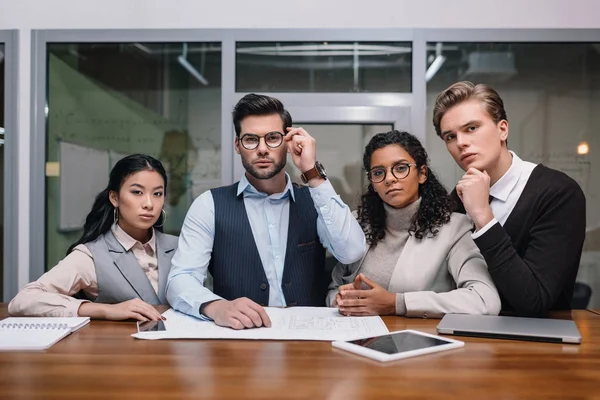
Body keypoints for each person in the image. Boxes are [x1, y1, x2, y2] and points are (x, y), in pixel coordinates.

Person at [167, 93, 367, 329]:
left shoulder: (314, 199)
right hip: (238, 339)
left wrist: (312, 172)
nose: (262, 149)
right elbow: (180, 279)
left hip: (309, 338)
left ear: (288, 141)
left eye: (272, 138)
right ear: (237, 145)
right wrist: (216, 306)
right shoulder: (208, 205)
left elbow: (352, 251)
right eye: (251, 139)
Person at [433, 81, 586, 317]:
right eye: (450, 136)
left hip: (537, 344)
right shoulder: (455, 199)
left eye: (471, 128)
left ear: (503, 129)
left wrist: (483, 217)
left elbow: (534, 301)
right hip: (464, 336)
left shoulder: (558, 193)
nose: (461, 142)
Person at [328, 130, 500, 318]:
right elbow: (333, 290)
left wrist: (397, 303)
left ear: (422, 173)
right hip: (357, 338)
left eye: (401, 168)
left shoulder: (455, 228)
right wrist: (341, 300)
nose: (389, 178)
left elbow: (485, 300)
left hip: (420, 341)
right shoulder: (357, 223)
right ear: (373, 183)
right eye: (378, 172)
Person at [8, 154, 177, 321]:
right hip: (122, 346)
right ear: (115, 198)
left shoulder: (181, 246)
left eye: (157, 194)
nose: (149, 203)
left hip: (178, 346)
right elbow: (23, 300)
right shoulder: (92, 255)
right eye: (137, 192)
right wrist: (104, 310)